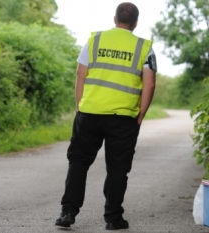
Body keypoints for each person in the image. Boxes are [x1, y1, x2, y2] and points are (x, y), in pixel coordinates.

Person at [55, 2, 157, 230]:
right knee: (118, 168)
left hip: (89, 113)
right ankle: (113, 218)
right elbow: (149, 85)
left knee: (79, 162)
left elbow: (81, 74)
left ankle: (68, 212)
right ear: (136, 23)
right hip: (123, 118)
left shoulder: (94, 40)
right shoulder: (144, 47)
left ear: (114, 19)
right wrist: (140, 115)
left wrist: (80, 106)